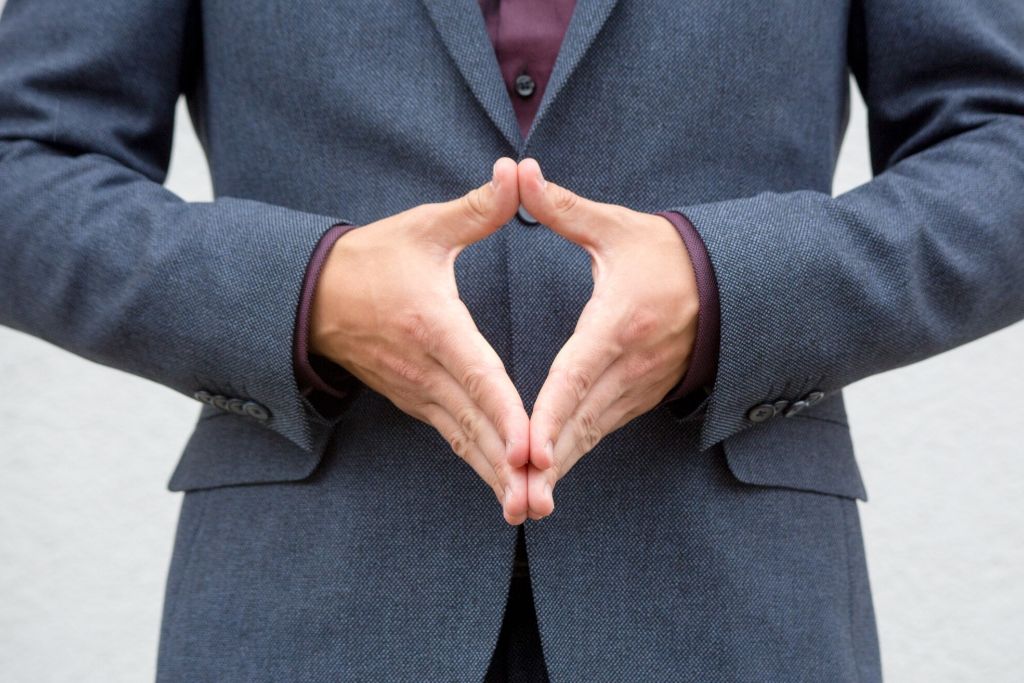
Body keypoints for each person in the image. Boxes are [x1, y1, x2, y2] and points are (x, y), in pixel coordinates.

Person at [1, 0, 1022, 680]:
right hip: (304, 607)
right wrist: (306, 292)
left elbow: (1002, 145)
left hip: (732, 607)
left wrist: (727, 286)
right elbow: (22, 162)